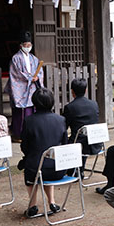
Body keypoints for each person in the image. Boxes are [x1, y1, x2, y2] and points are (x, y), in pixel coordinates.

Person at [20, 88, 68, 218]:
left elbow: (24, 146)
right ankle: (52, 202)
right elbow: (65, 144)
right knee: (48, 161)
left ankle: (33, 205)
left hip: (36, 170)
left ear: (34, 102)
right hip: (58, 169)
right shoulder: (61, 120)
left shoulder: (29, 121)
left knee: (32, 166)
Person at [4, 31, 44, 141]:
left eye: (29, 45)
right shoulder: (16, 58)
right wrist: (30, 78)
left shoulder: (34, 58)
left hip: (31, 88)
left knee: (32, 110)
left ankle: (31, 133)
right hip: (21, 89)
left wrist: (37, 78)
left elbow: (39, 71)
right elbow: (16, 74)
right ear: (21, 45)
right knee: (20, 112)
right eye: (26, 45)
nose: (28, 47)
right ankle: (19, 134)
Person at [61, 78, 101, 173]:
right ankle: (79, 170)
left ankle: (73, 170)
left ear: (72, 91)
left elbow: (64, 127)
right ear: (86, 90)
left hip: (78, 145)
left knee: (67, 138)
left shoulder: (70, 107)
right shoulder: (94, 104)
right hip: (95, 143)